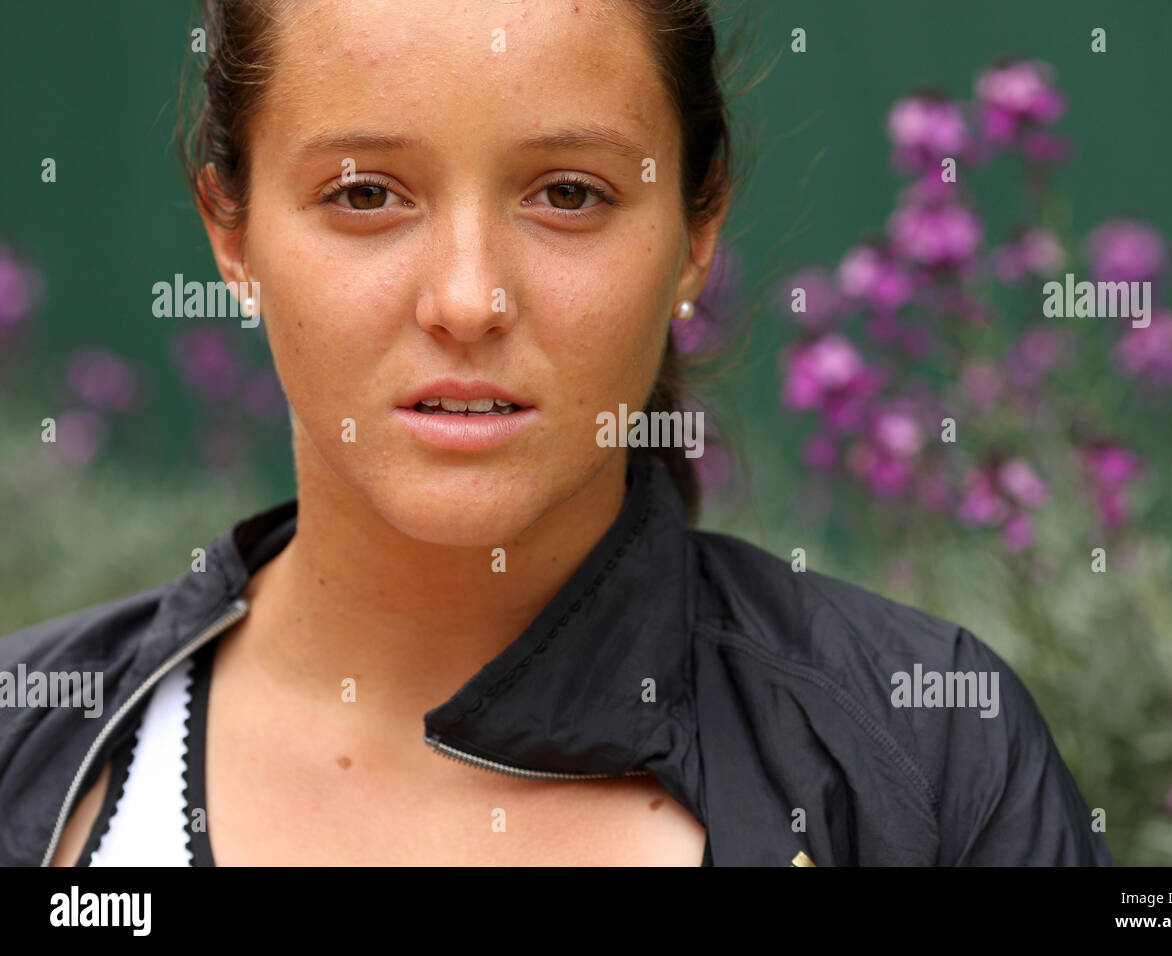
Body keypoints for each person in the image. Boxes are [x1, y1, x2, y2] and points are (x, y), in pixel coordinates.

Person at [0, 0, 1113, 867]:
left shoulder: (928, 750)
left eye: (568, 194)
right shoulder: (29, 742)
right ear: (230, 236)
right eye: (366, 193)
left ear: (694, 231)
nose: (470, 298)